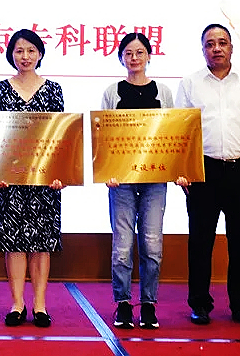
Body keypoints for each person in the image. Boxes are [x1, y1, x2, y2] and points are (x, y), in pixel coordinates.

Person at [176, 23, 240, 327]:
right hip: (203, 170)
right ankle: (199, 304)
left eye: (222, 42)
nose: (216, 48)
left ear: (231, 47)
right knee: (200, 241)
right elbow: (181, 131)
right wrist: (184, 170)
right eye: (210, 44)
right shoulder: (190, 83)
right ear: (203, 49)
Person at [0, 29, 65, 328]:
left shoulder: (53, 89)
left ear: (40, 54)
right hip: (9, 179)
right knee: (14, 242)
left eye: (31, 50)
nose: (25, 56)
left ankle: (40, 305)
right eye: (19, 51)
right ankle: (17, 304)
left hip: (45, 180)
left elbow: (60, 137)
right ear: (11, 54)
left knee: (42, 242)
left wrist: (59, 173)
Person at [101, 32, 173, 330]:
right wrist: (106, 171)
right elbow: (104, 136)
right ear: (121, 58)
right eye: (128, 53)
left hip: (155, 178)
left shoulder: (163, 91)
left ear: (149, 56)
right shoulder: (112, 92)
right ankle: (122, 304)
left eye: (139, 52)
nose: (134, 58)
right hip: (122, 181)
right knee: (122, 245)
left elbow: (173, 134)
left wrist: (176, 169)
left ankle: (148, 305)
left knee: (152, 244)